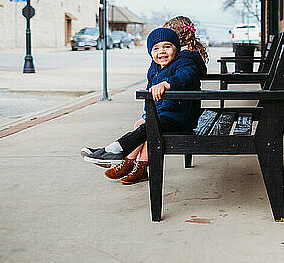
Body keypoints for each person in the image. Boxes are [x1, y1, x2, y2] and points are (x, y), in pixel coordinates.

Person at [82, 26, 207, 184]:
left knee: (149, 128)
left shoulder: (184, 62)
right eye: (156, 48)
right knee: (142, 123)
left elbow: (187, 75)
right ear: (150, 52)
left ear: (176, 48)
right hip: (165, 114)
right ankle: (134, 165)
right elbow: (150, 95)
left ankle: (116, 151)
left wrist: (166, 84)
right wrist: (146, 115)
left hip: (181, 116)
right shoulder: (154, 68)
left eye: (167, 46)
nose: (161, 51)